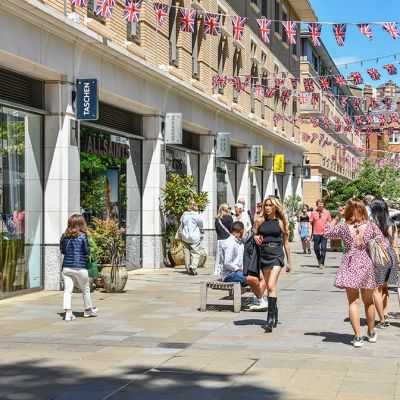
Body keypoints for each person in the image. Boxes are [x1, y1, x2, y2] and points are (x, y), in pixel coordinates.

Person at [323, 198, 386, 348]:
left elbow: (326, 232)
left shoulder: (344, 227)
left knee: (353, 302)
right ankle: (371, 332)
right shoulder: (371, 226)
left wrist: (338, 217)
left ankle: (357, 336)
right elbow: (383, 242)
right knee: (368, 302)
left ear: (348, 211)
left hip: (350, 265)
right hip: (366, 266)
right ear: (363, 209)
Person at [254, 196, 292, 333]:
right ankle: (274, 311)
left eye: (270, 205)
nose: (268, 207)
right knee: (270, 287)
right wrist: (255, 237)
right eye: (266, 205)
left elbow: (286, 243)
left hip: (277, 254)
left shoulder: (281, 222)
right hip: (264, 254)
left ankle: (269, 320)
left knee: (270, 285)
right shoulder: (260, 221)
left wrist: (289, 261)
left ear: (275, 206)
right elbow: (254, 234)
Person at [60, 214, 98, 322]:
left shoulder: (64, 236)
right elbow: (87, 251)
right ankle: (88, 310)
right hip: (80, 268)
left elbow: (62, 251)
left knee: (68, 290)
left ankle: (68, 313)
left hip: (66, 268)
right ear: (81, 224)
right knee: (85, 289)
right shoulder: (82, 236)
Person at [220, 221, 266, 308]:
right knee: (254, 280)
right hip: (229, 274)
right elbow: (227, 263)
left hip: (240, 271)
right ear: (241, 231)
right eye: (244, 231)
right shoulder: (230, 243)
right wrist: (239, 268)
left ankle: (257, 299)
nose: (245, 233)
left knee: (264, 277)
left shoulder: (239, 241)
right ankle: (260, 300)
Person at [370, 198, 400, 328]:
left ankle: (382, 319)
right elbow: (395, 245)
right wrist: (398, 261)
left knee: (376, 289)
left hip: (377, 257)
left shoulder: (371, 223)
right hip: (390, 256)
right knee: (385, 288)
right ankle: (386, 314)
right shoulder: (392, 224)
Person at [181, 200, 203, 276]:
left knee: (186, 253)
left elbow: (182, 224)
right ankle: (192, 267)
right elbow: (201, 225)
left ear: (189, 206)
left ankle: (188, 269)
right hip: (194, 237)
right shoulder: (197, 215)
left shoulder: (185, 214)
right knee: (195, 253)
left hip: (185, 236)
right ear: (196, 206)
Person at [309, 199, 332, 269]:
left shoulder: (327, 212)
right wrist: (310, 233)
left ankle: (322, 262)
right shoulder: (313, 213)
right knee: (316, 248)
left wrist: (329, 230)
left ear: (323, 205)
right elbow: (310, 223)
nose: (320, 206)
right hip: (316, 233)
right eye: (319, 205)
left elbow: (329, 222)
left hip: (324, 233)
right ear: (317, 205)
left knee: (323, 248)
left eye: (322, 205)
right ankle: (319, 259)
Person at [214, 203, 234, 276]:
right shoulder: (229, 218)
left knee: (219, 258)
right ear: (226, 209)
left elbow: (217, 231)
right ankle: (227, 272)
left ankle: (218, 272)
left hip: (220, 240)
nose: (230, 209)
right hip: (228, 239)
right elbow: (232, 229)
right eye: (229, 208)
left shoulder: (217, 219)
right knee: (228, 257)